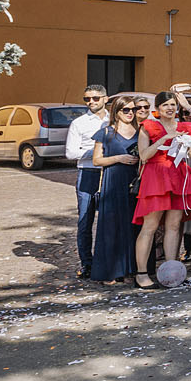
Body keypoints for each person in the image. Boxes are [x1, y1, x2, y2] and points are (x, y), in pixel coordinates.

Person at [133, 93, 191, 288]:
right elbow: (144, 155)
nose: (170, 108)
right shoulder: (148, 126)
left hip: (178, 177)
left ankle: (171, 270)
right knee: (150, 226)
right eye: (165, 105)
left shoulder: (187, 127)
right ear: (158, 108)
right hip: (155, 177)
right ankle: (141, 273)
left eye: (173, 104)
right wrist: (164, 139)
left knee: (174, 226)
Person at [89, 97, 142, 284]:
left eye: (133, 109)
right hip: (113, 181)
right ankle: (110, 270)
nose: (130, 113)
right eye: (125, 110)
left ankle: (130, 269)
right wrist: (119, 158)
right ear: (116, 111)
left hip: (135, 182)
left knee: (134, 225)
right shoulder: (105, 132)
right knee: (111, 225)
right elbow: (97, 160)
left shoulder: (141, 131)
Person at [65, 87, 111, 278]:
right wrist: (97, 151)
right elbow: (70, 153)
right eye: (87, 98)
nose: (91, 102)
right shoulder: (79, 123)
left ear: (105, 99)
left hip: (110, 173)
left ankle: (109, 261)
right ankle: (87, 264)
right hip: (88, 174)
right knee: (85, 221)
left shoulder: (113, 119)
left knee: (109, 220)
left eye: (95, 98)